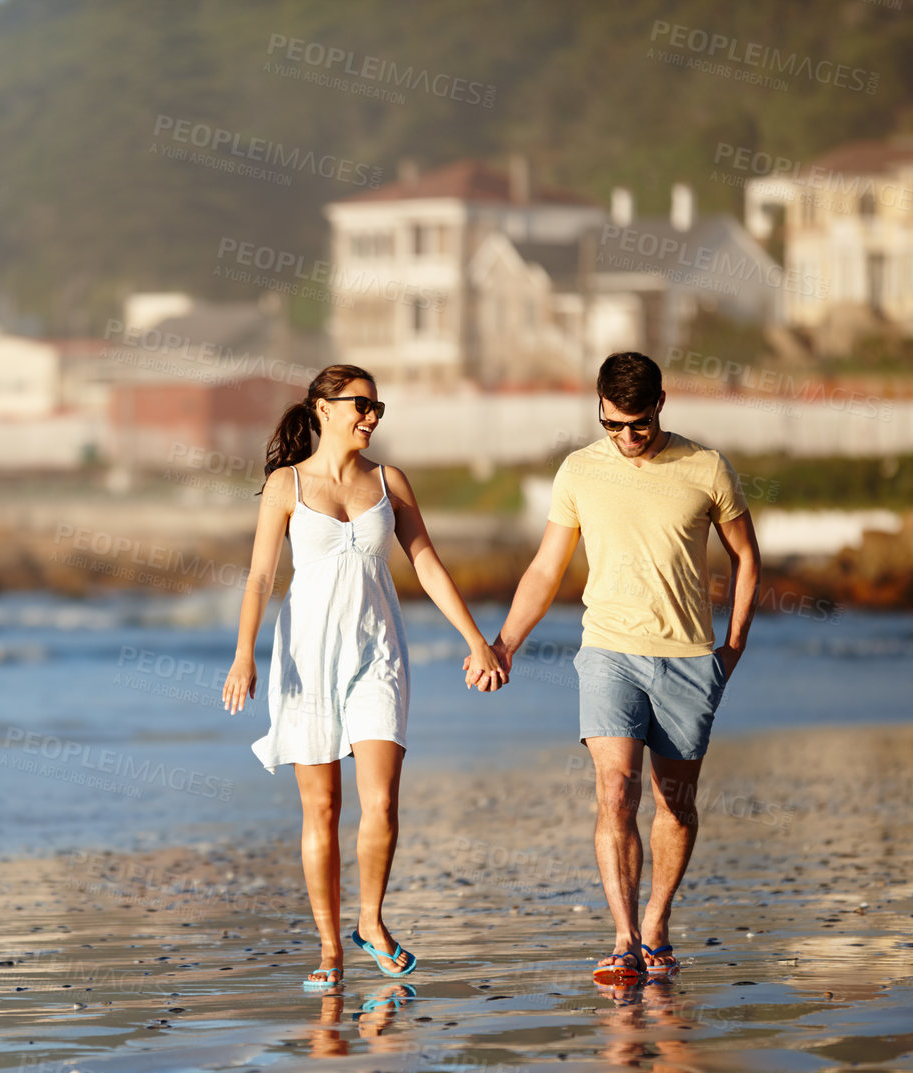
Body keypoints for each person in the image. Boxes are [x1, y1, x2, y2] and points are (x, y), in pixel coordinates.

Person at [466, 351, 760, 984]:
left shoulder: (706, 468)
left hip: (688, 659)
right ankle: (625, 937)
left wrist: (732, 648)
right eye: (612, 424)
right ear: (599, 411)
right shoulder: (579, 471)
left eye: (638, 425)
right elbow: (547, 568)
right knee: (615, 790)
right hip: (606, 653)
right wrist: (506, 642)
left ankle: (657, 922)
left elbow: (746, 558)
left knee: (674, 805)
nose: (626, 438)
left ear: (660, 405)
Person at [223, 364, 505, 989]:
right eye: (361, 405)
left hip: (379, 655)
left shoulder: (389, 481)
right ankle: (329, 948)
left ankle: (370, 923)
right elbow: (261, 578)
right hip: (307, 658)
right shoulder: (285, 485)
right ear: (323, 408)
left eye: (378, 406)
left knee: (381, 801)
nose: (372, 416)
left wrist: (476, 640)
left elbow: (426, 562)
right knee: (322, 807)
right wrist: (244, 653)